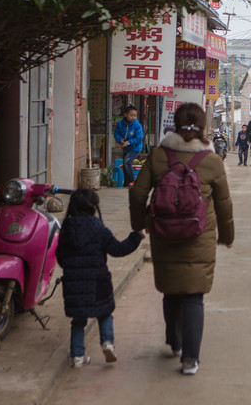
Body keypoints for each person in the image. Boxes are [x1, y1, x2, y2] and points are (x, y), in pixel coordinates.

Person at [129, 102, 234, 376]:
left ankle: (174, 342)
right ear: (202, 127)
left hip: (163, 232)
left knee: (171, 288)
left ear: (175, 124)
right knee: (193, 296)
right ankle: (190, 359)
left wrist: (139, 225)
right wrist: (227, 236)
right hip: (199, 235)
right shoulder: (212, 161)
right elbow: (224, 204)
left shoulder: (158, 156)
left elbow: (138, 193)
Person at [57, 188, 144, 368]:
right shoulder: (98, 228)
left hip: (74, 285)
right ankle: (107, 343)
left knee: (78, 321)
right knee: (104, 314)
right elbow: (118, 249)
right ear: (94, 208)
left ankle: (78, 357)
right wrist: (135, 237)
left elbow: (60, 257)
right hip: (98, 282)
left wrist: (73, 270)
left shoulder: (65, 230)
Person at [114, 105, 144, 186]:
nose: (133, 117)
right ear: (125, 114)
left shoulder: (138, 125)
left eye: (135, 115)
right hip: (125, 148)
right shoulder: (120, 123)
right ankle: (126, 184)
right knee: (125, 165)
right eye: (131, 115)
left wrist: (129, 142)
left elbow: (139, 138)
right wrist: (120, 140)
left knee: (127, 162)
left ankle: (132, 183)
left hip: (135, 148)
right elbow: (116, 133)